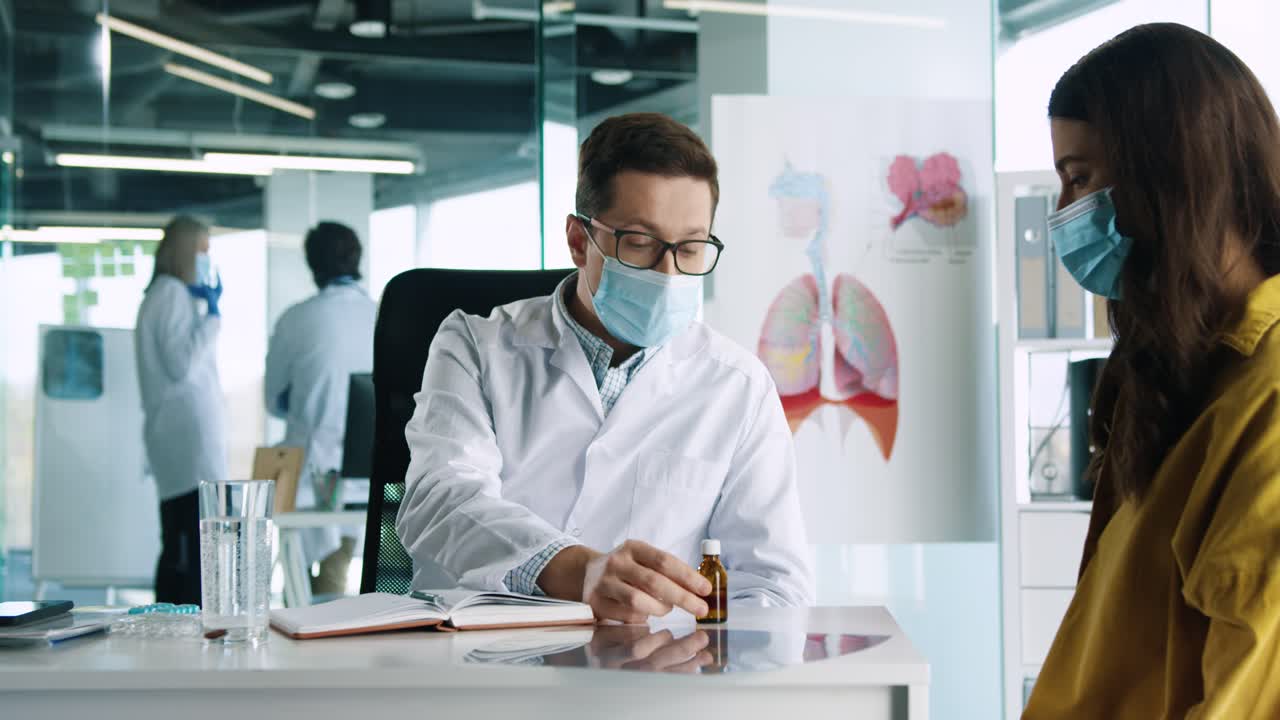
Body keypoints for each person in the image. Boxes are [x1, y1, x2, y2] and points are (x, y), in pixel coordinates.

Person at [397, 112, 814, 623]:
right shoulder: (477, 345)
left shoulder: (738, 385)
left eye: (690, 247)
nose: (669, 273)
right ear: (579, 241)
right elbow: (438, 501)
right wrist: (573, 568)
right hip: (484, 666)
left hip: (655, 681)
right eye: (640, 242)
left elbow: (772, 585)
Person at [1024, 24, 1280, 717]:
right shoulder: (1187, 368)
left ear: (1171, 169)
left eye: (1080, 177)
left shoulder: (1270, 391)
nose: (1062, 213)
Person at [265, 222, 376, 595]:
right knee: (334, 569)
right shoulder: (381, 315)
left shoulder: (296, 319)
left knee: (301, 577)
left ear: (313, 265)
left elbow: (274, 399)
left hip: (307, 469)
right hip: (365, 472)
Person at [135, 215, 225, 605]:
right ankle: (183, 623)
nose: (207, 259)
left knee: (180, 540)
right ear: (186, 251)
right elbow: (180, 364)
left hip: (176, 437)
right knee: (190, 545)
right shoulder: (170, 293)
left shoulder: (162, 294)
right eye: (203, 250)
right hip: (185, 439)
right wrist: (213, 318)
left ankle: (176, 620)